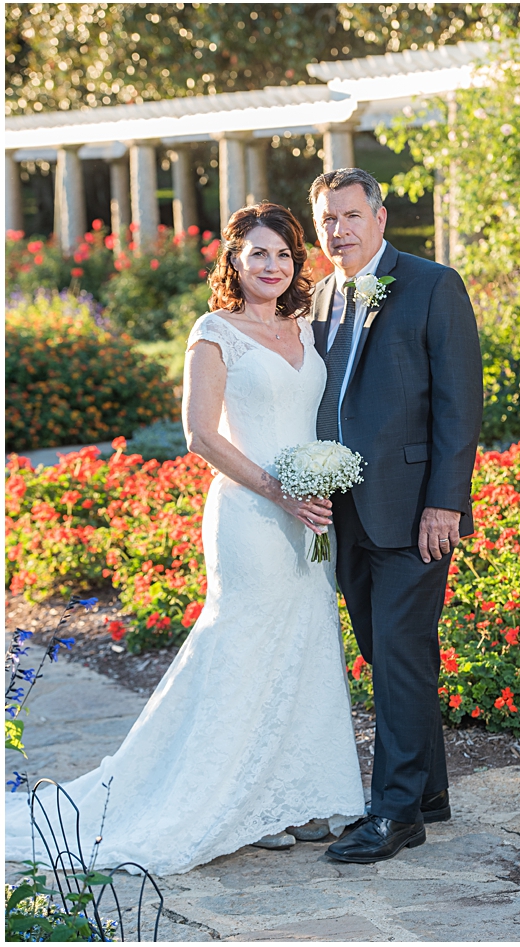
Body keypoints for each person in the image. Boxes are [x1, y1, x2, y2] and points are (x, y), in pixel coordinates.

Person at [4, 203, 364, 874]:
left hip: (308, 515)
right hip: (251, 515)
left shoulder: (305, 328)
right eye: (258, 253)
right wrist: (278, 489)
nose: (272, 265)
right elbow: (202, 435)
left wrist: (320, 485)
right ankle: (230, 802)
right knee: (242, 646)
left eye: (283, 254)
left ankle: (290, 796)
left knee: (305, 642)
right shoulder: (213, 331)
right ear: (233, 260)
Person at [307, 168, 483, 864]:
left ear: (380, 218)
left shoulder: (433, 285)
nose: (339, 231)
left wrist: (446, 500)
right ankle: (430, 790)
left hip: (413, 510)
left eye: (351, 216)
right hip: (344, 511)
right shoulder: (320, 295)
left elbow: (459, 403)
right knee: (389, 656)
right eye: (327, 220)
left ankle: (395, 812)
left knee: (402, 653)